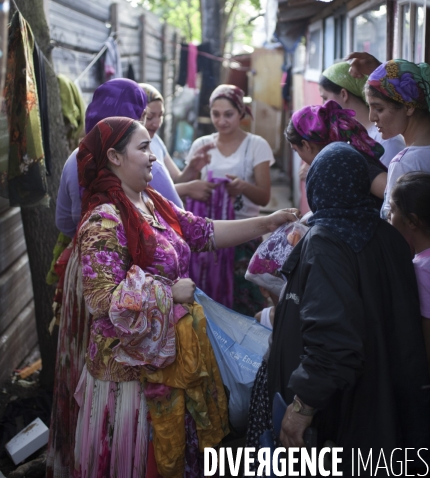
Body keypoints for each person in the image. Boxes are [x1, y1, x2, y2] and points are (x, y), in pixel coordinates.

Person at [65, 116, 298, 478]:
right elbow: (100, 299)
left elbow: (201, 232)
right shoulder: (104, 220)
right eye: (143, 148)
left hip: (170, 359)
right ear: (113, 156)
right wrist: (168, 292)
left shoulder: (151, 202)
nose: (153, 157)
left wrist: (268, 223)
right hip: (131, 376)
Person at [266, 143, 430, 474]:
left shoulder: (326, 241)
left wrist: (302, 406)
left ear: (319, 185)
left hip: (341, 416)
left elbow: (333, 339)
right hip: (386, 409)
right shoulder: (389, 236)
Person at [47, 78, 181, 478]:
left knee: (83, 367)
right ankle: (115, 450)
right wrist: (169, 290)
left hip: (80, 272)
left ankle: (82, 451)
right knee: (114, 372)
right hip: (118, 281)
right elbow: (175, 210)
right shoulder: (131, 167)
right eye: (142, 115)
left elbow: (63, 220)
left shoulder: (79, 155)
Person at [180, 84, 275, 316]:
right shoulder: (201, 145)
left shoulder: (256, 145)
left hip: (245, 235)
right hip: (207, 236)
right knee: (208, 302)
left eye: (228, 114)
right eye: (216, 114)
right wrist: (193, 169)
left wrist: (242, 187)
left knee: (243, 301)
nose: (221, 121)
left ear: (241, 113)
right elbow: (183, 187)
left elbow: (264, 197)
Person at [56, 78, 182, 238]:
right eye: (146, 116)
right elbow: (179, 222)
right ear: (138, 118)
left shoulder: (74, 160)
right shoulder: (149, 165)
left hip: (87, 258)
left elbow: (64, 223)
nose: (153, 124)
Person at [389, 171, 430, 429]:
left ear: (412, 221)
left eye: (392, 211)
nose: (389, 218)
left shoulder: (422, 271)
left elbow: (427, 350)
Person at [365, 59, 430, 220]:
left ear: (409, 107)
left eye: (379, 108)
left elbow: (394, 227)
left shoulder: (405, 163)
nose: (371, 117)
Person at [285, 100, 387, 204]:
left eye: (296, 150)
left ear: (306, 145)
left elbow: (393, 191)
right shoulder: (331, 166)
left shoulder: (349, 162)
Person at [140, 83, 216, 203]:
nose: (157, 123)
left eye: (161, 116)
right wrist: (186, 189)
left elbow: (176, 179)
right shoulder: (129, 150)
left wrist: (192, 168)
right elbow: (140, 195)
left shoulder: (156, 141)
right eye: (149, 117)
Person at [318, 61, 404, 166]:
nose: (323, 106)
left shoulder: (387, 140)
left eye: (325, 98)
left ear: (343, 94)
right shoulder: (349, 136)